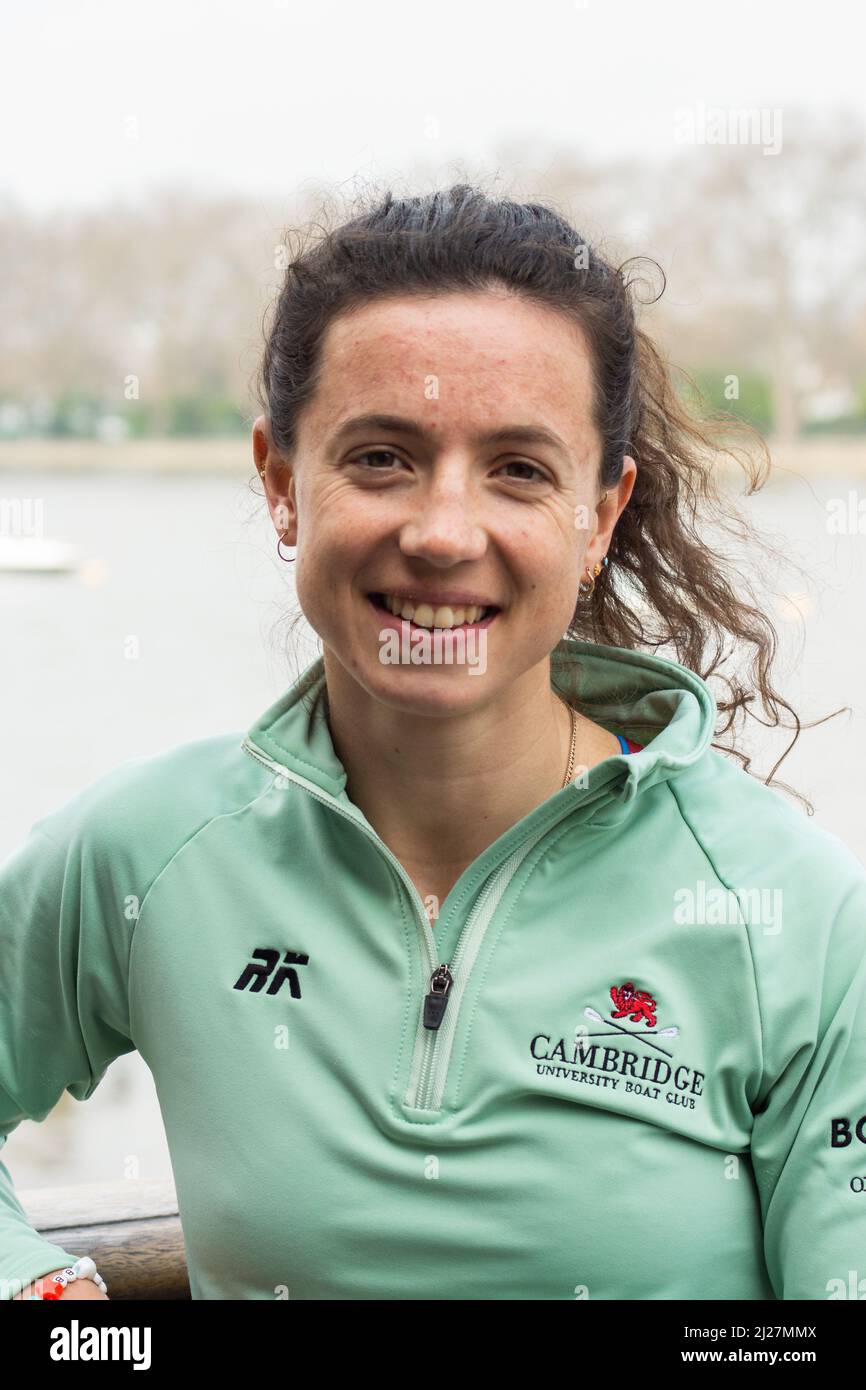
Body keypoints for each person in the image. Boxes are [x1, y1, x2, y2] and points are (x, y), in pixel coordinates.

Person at [2, 183, 865, 1302]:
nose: (442, 531)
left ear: (598, 515)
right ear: (280, 482)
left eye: (517, 469)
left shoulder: (783, 912)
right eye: (379, 457)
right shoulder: (145, 851)